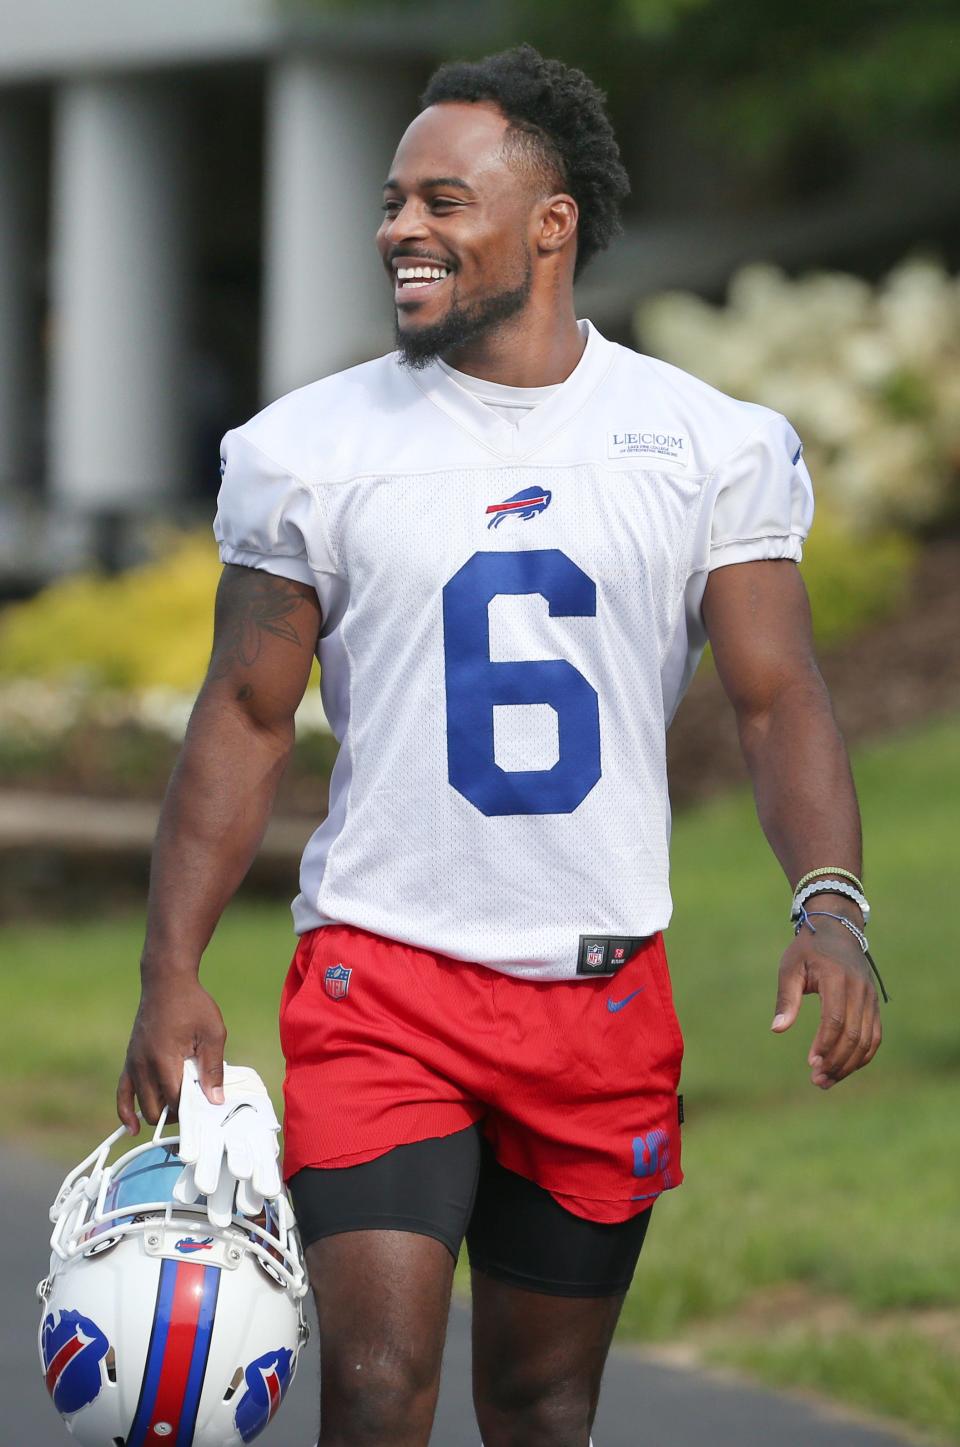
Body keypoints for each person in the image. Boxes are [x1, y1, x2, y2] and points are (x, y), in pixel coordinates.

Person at [118, 44, 883, 1447]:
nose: (400, 228)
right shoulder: (309, 447)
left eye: (441, 200)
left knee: (541, 1404)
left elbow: (780, 700)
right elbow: (244, 715)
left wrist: (829, 903)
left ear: (552, 221)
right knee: (373, 1386)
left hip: (596, 998)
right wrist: (172, 970)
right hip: (380, 983)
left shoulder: (705, 444)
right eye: (393, 200)